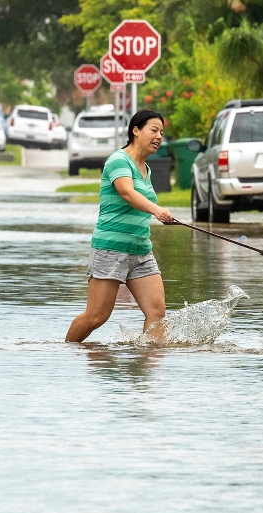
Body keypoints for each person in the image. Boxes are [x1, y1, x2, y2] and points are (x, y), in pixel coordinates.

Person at [66, 110, 174, 343]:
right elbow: (126, 192)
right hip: (110, 249)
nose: (159, 137)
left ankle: (149, 368)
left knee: (157, 312)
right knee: (97, 316)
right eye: (153, 130)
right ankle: (67, 351)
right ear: (135, 130)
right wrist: (157, 210)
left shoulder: (146, 169)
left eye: (161, 133)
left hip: (141, 250)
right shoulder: (118, 160)